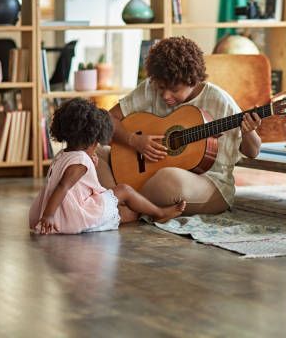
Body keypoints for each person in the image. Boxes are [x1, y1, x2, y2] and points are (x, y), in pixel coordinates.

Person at [96, 36, 262, 215]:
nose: (166, 95)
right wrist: (133, 140)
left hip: (209, 184)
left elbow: (253, 151)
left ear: (192, 80)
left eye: (174, 90)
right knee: (95, 153)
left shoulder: (219, 100)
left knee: (169, 179)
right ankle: (121, 207)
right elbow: (108, 118)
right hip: (148, 176)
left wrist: (249, 132)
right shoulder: (150, 88)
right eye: (161, 87)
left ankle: (117, 207)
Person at [29, 98, 186, 235]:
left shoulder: (63, 155)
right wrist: (48, 216)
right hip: (72, 216)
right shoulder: (80, 162)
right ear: (93, 140)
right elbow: (62, 187)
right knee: (124, 191)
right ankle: (159, 213)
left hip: (63, 212)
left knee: (126, 211)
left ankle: (146, 213)